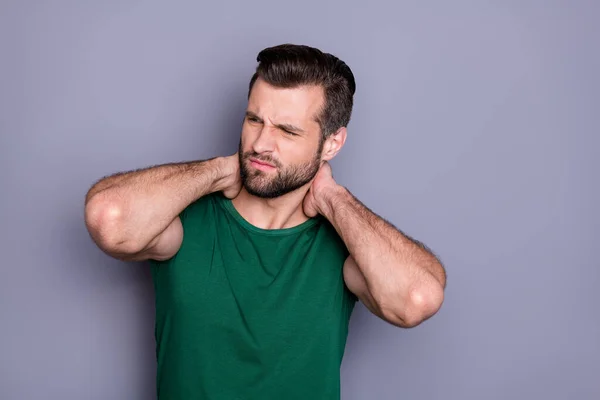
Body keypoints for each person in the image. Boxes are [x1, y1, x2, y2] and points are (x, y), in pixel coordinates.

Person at [84, 43, 447, 400]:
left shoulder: (345, 246)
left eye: (287, 131)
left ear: (332, 143)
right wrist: (218, 171)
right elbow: (109, 220)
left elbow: (416, 298)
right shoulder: (182, 221)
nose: (260, 143)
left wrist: (333, 199)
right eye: (254, 120)